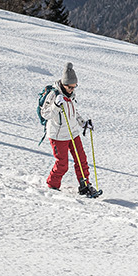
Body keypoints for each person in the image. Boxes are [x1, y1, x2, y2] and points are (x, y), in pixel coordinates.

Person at [42, 62, 101, 197]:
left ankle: (84, 185)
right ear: (63, 83)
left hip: (73, 133)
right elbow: (45, 114)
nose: (72, 89)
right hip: (58, 135)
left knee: (82, 160)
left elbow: (73, 113)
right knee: (62, 164)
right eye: (70, 87)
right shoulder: (53, 95)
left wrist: (83, 123)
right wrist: (56, 105)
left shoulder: (71, 95)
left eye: (74, 87)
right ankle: (52, 185)